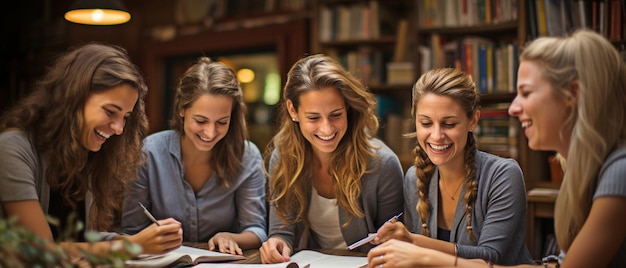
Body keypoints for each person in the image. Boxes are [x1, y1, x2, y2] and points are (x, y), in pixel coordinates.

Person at [367, 29, 626, 268]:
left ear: (572, 95)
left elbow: (492, 258)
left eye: (525, 93)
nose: (513, 108)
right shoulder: (579, 169)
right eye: (425, 122)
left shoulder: (618, 172)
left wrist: (420, 252)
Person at [0, 43, 183, 259]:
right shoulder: (12, 148)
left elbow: (84, 240)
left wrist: (142, 240)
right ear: (73, 98)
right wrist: (133, 247)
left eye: (125, 117)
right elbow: (39, 251)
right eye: (110, 111)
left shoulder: (88, 153)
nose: (118, 129)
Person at [369, 67, 533, 266]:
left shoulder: (503, 175)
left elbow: (489, 257)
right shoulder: (414, 177)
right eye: (426, 123)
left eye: (449, 124)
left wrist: (414, 243)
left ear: (473, 120)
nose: (437, 135)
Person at [259, 54, 404, 264]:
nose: (327, 129)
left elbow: (395, 244)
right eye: (313, 117)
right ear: (293, 110)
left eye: (336, 114)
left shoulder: (382, 164)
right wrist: (278, 242)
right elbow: (283, 231)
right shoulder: (282, 158)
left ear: (347, 107)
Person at [121, 57, 267, 255]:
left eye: (222, 122)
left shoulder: (247, 156)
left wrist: (230, 237)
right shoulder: (149, 153)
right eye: (201, 121)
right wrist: (150, 238)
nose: (210, 132)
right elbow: (131, 230)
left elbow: (257, 229)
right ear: (182, 109)